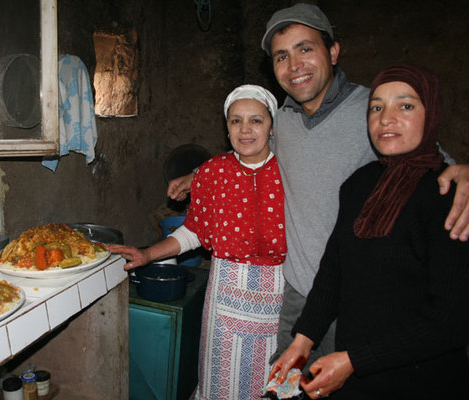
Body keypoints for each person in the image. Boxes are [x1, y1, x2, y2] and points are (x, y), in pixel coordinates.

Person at [167, 3, 469, 369]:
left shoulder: (372, 110)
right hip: (296, 294)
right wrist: (197, 174)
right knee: (287, 383)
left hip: (358, 297)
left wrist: (464, 172)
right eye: (282, 56)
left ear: (333, 51)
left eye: (305, 49)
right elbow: (249, 152)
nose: (294, 66)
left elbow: (430, 160)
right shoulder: (284, 120)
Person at [269, 64, 469, 399]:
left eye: (405, 106)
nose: (386, 118)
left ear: (431, 113)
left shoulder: (450, 196)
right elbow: (334, 271)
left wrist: (353, 361)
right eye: (377, 107)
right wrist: (302, 341)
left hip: (419, 381)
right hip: (356, 376)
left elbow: (451, 321)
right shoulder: (358, 185)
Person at [109, 85, 288, 400]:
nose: (245, 129)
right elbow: (193, 232)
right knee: (222, 386)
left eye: (256, 120)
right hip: (225, 299)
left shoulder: (290, 171)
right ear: (227, 128)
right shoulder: (212, 173)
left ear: (272, 126)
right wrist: (147, 254)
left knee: (276, 386)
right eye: (235, 121)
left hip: (282, 299)